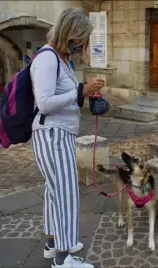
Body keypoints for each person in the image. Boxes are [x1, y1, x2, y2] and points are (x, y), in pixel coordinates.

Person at [30, 8, 105, 268]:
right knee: (66, 194)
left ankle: (54, 244)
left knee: (55, 192)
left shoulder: (61, 59)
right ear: (71, 33)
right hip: (52, 135)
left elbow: (65, 95)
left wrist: (84, 94)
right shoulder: (48, 58)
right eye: (81, 38)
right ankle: (64, 260)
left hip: (58, 134)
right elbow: (45, 102)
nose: (82, 44)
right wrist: (80, 90)